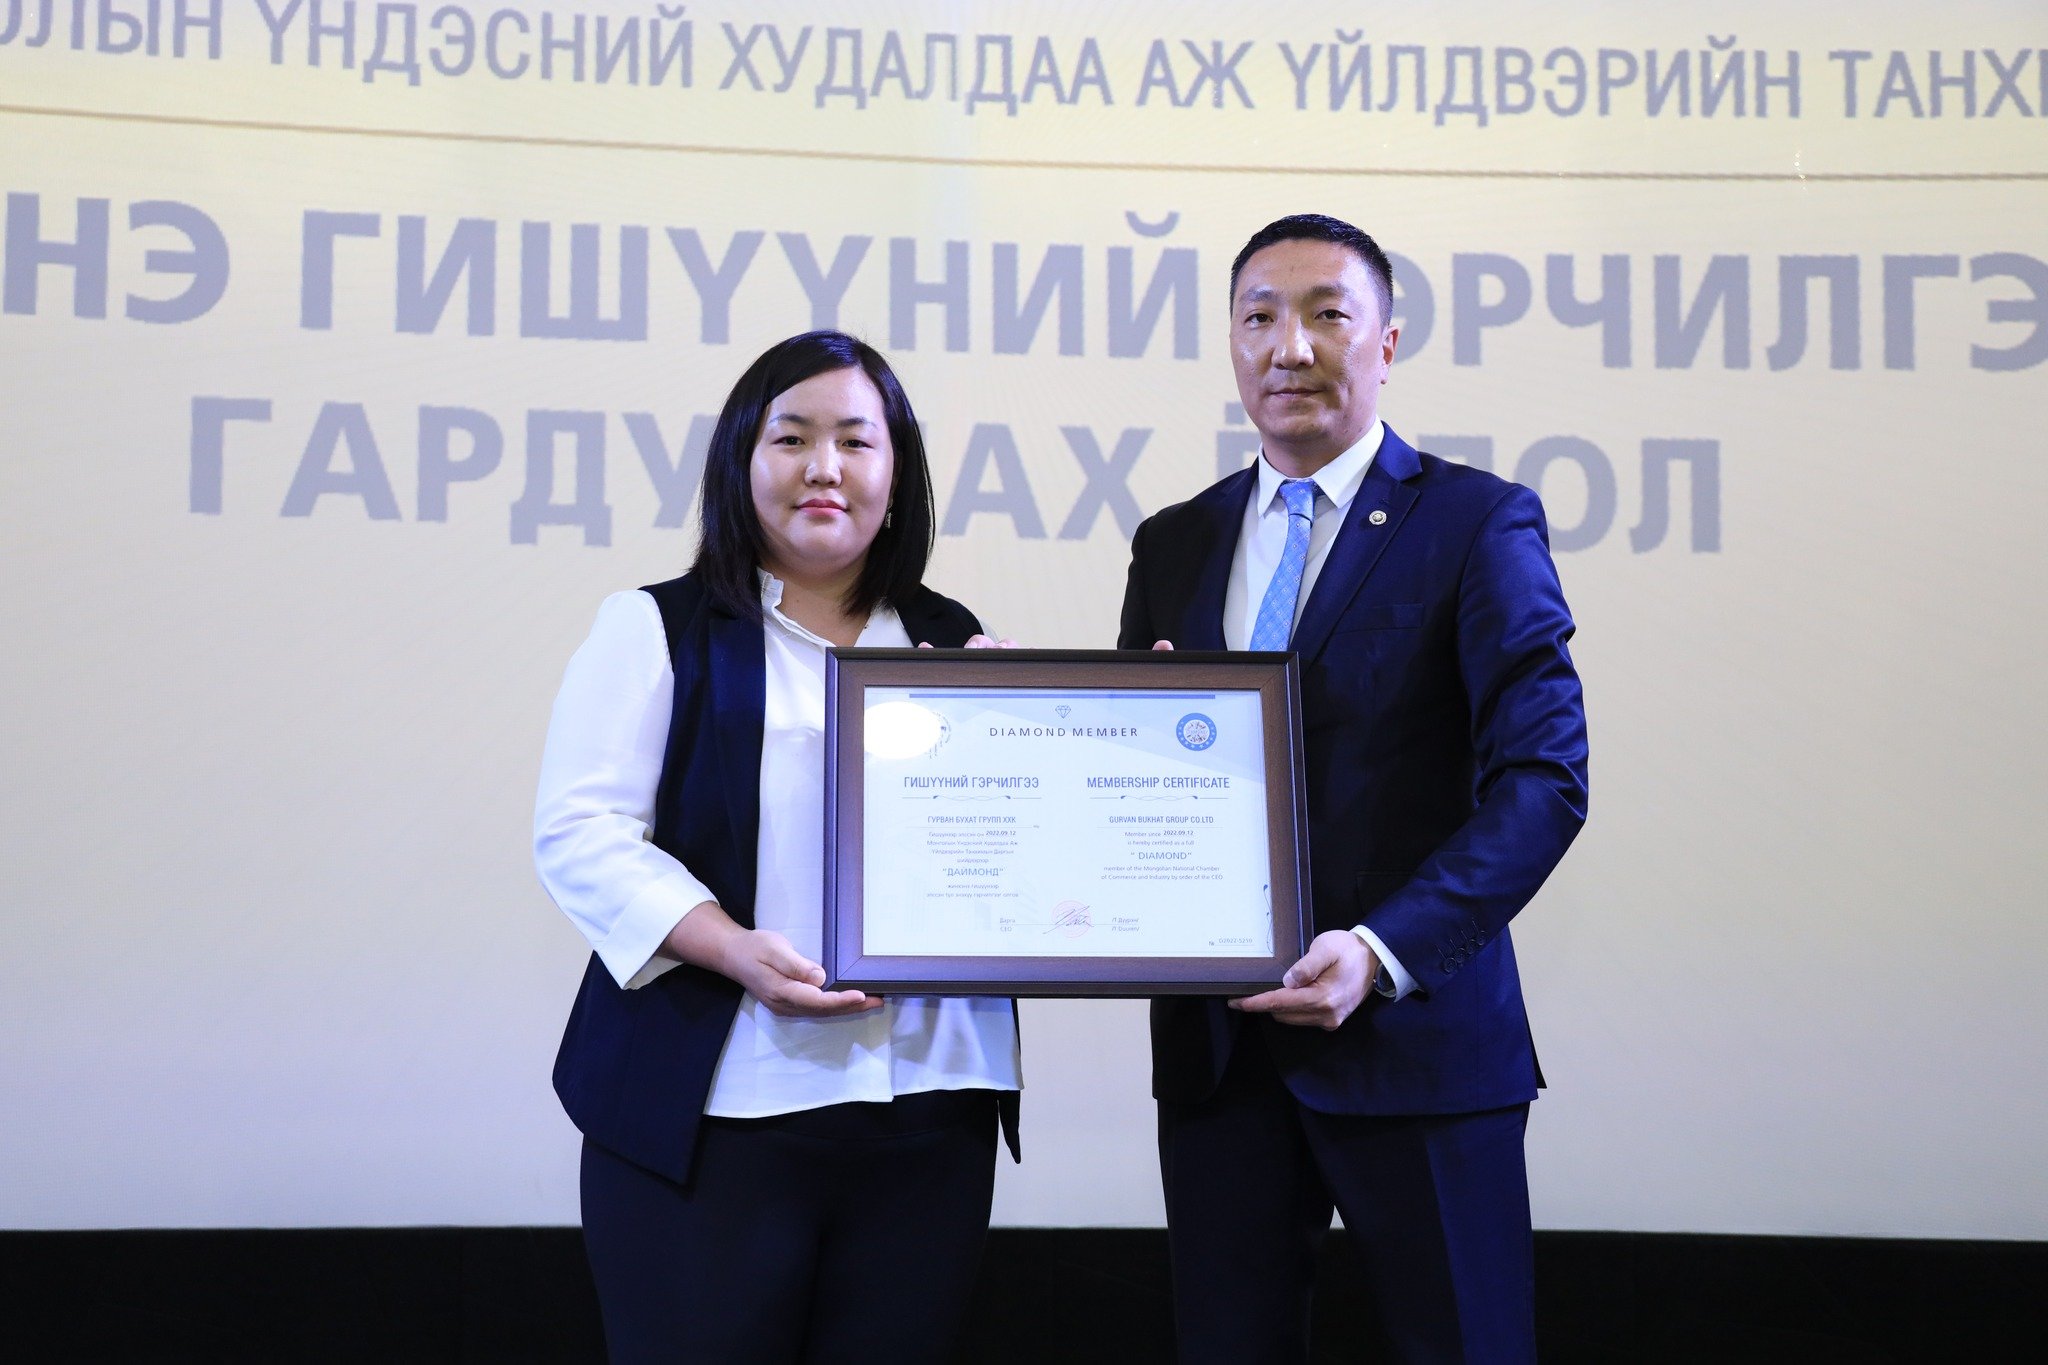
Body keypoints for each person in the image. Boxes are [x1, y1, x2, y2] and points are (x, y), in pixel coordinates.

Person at [1118, 214, 1589, 1362]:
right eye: (1258, 317)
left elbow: (1542, 779)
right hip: (1221, 1061)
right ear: (1231, 344)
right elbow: (1133, 785)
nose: (1289, 346)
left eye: (1327, 314)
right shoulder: (1172, 542)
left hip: (1418, 1042)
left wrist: (1380, 951)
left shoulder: (1474, 520)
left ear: (1384, 345)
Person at [534, 330, 1021, 1364]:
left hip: (927, 1106)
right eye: (790, 438)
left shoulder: (952, 638)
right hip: (716, 1105)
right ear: (740, 462)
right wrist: (731, 947)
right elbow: (581, 834)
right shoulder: (657, 627)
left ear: (898, 471)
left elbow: (995, 855)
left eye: (856, 441)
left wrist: (1052, 740)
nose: (823, 467)